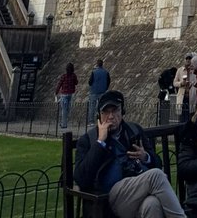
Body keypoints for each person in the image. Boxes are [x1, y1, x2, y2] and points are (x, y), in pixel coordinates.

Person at [75, 89, 186, 218]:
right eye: (106, 112)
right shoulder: (89, 140)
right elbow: (81, 178)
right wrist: (100, 142)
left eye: (115, 110)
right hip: (109, 197)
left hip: (138, 190)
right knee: (156, 176)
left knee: (152, 204)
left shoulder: (134, 131)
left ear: (122, 112)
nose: (111, 116)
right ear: (99, 115)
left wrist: (146, 157)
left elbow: (157, 163)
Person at [173, 53, 197, 119]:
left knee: (191, 116)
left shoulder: (195, 70)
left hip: (192, 96)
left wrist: (192, 83)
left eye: (189, 58)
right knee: (182, 116)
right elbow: (174, 83)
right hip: (182, 96)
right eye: (186, 58)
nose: (188, 60)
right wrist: (181, 83)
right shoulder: (180, 70)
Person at [56, 61, 78, 130]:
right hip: (71, 94)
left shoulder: (64, 76)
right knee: (68, 109)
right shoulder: (73, 75)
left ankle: (64, 123)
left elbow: (59, 84)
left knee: (64, 110)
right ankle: (65, 121)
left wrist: (56, 92)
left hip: (64, 94)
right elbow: (76, 83)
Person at [88, 58, 111, 125]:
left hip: (94, 91)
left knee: (92, 107)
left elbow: (90, 82)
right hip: (103, 91)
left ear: (97, 64)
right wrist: (105, 88)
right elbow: (108, 81)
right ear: (102, 64)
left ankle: (91, 121)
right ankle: (102, 120)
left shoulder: (94, 72)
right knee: (102, 107)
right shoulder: (106, 72)